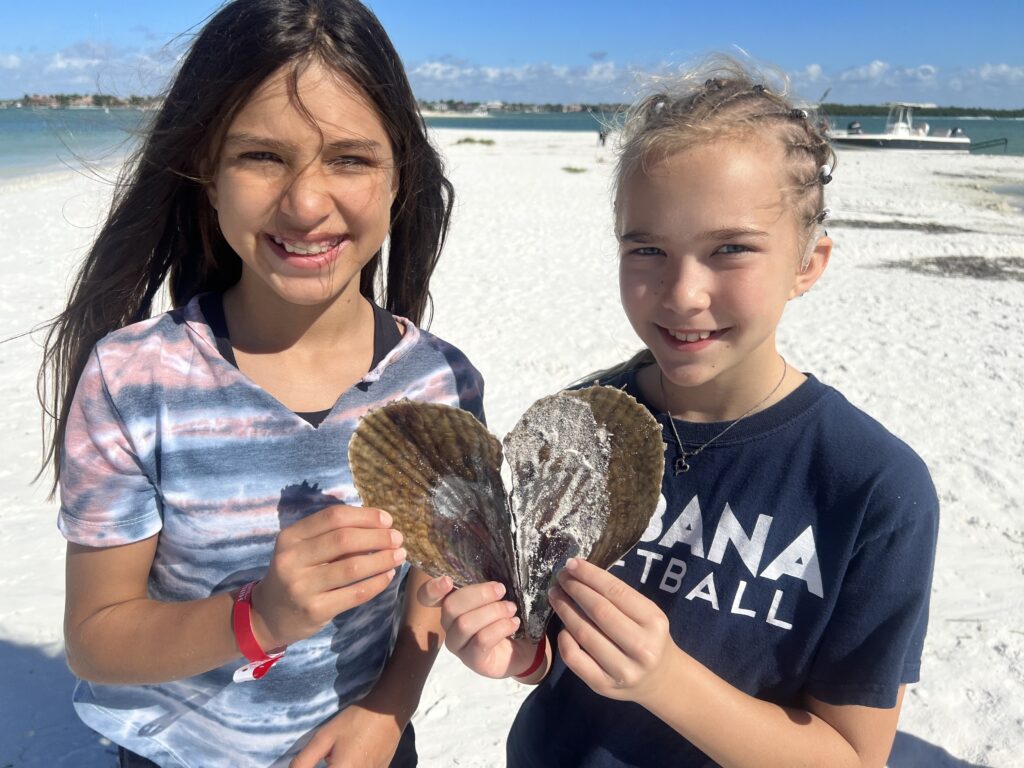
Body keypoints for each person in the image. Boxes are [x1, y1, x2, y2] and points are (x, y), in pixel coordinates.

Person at [420, 59, 938, 767]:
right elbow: (554, 657)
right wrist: (515, 650)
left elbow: (852, 755)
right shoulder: (582, 429)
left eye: (730, 249)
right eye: (648, 250)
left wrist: (666, 681)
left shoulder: (873, 488)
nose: (683, 292)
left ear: (808, 263)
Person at [39, 1, 482, 766]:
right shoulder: (134, 377)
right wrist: (258, 619)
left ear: (398, 177)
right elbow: (96, 638)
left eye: (350, 157)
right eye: (261, 157)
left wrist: (389, 710)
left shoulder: (442, 384)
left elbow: (434, 582)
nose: (306, 204)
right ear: (206, 176)